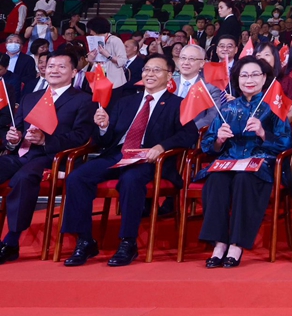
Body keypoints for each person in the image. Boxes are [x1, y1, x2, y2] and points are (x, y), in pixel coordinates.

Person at [59, 54, 199, 266]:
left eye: (156, 70)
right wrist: (104, 126)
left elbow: (189, 135)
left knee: (131, 180)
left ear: (169, 75)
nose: (150, 74)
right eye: (147, 70)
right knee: (78, 177)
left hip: (150, 160)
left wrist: (161, 147)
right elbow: (105, 141)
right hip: (119, 154)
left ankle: (128, 242)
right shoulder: (127, 101)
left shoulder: (177, 104)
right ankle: (85, 240)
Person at [195, 56, 292, 268]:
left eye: (255, 74)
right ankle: (219, 244)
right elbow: (208, 145)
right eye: (244, 75)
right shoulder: (227, 109)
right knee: (216, 180)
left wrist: (262, 133)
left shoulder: (273, 106)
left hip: (260, 162)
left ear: (264, 78)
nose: (249, 79)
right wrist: (220, 140)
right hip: (230, 160)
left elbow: (287, 143)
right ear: (237, 79)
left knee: (243, 179)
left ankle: (236, 245)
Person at [0, 50, 97, 264]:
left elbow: (82, 137)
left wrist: (46, 141)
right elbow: (16, 130)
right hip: (22, 153)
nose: (55, 70)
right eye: (51, 66)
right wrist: (12, 139)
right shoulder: (30, 98)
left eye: (62, 66)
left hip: (53, 156)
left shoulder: (83, 100)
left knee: (24, 178)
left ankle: (11, 241)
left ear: (73, 72)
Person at [85, 17, 127, 88]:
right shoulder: (94, 40)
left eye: (91, 29)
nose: (90, 32)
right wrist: (91, 59)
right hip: (99, 77)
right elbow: (96, 62)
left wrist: (108, 55)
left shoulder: (115, 40)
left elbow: (122, 61)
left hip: (114, 81)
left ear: (97, 29)